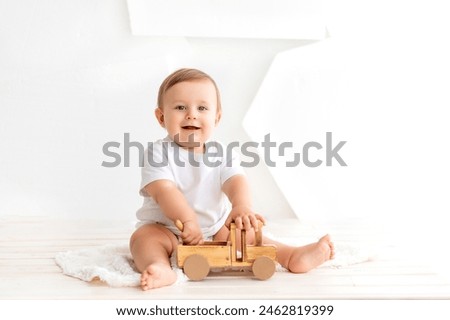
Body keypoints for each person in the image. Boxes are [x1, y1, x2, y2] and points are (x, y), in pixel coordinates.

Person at [129, 68, 335, 290]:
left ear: (216, 117)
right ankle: (159, 267)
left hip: (215, 228)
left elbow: (235, 181)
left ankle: (291, 256)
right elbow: (164, 191)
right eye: (180, 107)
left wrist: (241, 206)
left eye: (202, 108)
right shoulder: (157, 153)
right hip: (167, 228)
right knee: (143, 239)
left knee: (247, 237)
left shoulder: (222, 153)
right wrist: (187, 220)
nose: (192, 114)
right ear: (161, 117)